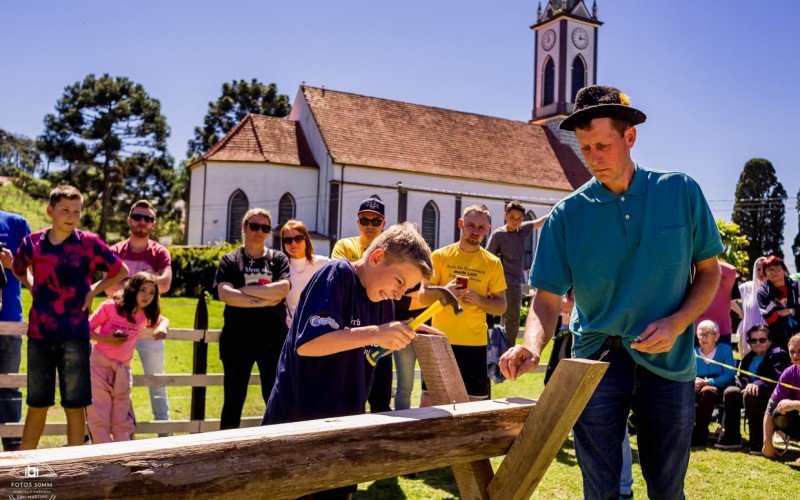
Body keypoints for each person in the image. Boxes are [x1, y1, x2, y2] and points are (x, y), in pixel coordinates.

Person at [499, 86, 723, 499]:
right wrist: (531, 346)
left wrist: (676, 323)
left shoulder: (681, 192)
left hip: (669, 361)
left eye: (602, 145)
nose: (593, 157)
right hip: (595, 361)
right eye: (585, 148)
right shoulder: (567, 215)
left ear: (630, 137)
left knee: (668, 489)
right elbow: (546, 299)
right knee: (599, 490)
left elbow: (708, 273)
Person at [264, 223, 438, 498]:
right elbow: (309, 344)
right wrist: (377, 332)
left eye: (406, 289)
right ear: (377, 257)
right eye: (399, 282)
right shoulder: (337, 275)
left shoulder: (384, 303)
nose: (398, 294)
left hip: (343, 434)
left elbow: (370, 351)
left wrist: (402, 334)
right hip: (297, 429)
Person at [12, 185, 128, 449]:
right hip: (40, 335)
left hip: (75, 334)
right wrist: (31, 284)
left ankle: (75, 467)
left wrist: (93, 290)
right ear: (50, 211)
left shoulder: (88, 243)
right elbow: (19, 268)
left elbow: (120, 270)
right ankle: (23, 467)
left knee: (75, 405)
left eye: (77, 211)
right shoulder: (32, 242)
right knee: (37, 403)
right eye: (65, 210)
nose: (71, 216)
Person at [419, 204, 507, 404]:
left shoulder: (492, 263)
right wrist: (444, 291)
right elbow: (422, 296)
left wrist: (480, 300)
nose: (475, 232)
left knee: (473, 403)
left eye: (481, 228)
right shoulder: (440, 256)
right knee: (430, 400)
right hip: (440, 341)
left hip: (474, 344)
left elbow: (501, 306)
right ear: (460, 224)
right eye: (470, 225)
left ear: (488, 230)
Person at [213, 208, 291, 430]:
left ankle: (276, 447)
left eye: (265, 228)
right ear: (244, 227)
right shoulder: (230, 260)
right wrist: (265, 299)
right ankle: (225, 451)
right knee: (233, 401)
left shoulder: (278, 259)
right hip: (237, 341)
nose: (259, 231)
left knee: (274, 398)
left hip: (273, 342)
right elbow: (225, 294)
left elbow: (283, 288)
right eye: (254, 226)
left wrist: (245, 291)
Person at [107, 200, 173, 426]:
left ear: (153, 224)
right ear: (129, 219)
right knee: (112, 379)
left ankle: (164, 432)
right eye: (138, 217)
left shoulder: (159, 252)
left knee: (157, 380)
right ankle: (119, 429)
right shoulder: (115, 251)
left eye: (148, 219)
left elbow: (164, 285)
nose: (142, 222)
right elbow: (108, 286)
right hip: (117, 326)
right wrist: (145, 285)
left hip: (148, 328)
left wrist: (125, 283)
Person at [87, 272, 169, 443]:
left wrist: (162, 327)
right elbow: (85, 329)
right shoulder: (110, 307)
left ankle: (124, 457)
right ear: (133, 289)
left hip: (122, 370)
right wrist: (107, 339)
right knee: (98, 416)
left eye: (151, 292)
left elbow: (163, 319)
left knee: (122, 420)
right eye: (143, 290)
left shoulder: (145, 314)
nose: (146, 296)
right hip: (98, 367)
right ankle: (103, 458)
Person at [331, 197, 393, 413]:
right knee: (347, 403)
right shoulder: (344, 245)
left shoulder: (392, 252)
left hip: (382, 331)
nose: (370, 226)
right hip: (352, 331)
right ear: (357, 222)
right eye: (364, 220)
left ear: (383, 224)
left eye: (375, 222)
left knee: (381, 404)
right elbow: (341, 280)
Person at [717, 325, 790, 453]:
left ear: (770, 340)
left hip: (770, 395)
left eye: (762, 340)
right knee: (731, 393)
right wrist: (744, 384)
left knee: (751, 395)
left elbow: (778, 379)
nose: (757, 343)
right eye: (753, 340)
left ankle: (757, 442)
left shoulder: (778, 353)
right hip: (750, 392)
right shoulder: (748, 357)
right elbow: (742, 377)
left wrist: (757, 384)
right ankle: (732, 438)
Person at [486, 201, 545, 350]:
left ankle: (501, 349)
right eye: (512, 217)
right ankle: (507, 350)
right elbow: (487, 257)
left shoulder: (522, 231)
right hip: (505, 281)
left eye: (519, 218)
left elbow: (540, 222)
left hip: (516, 281)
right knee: (512, 319)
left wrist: (559, 209)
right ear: (505, 215)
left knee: (507, 318)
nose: (515, 221)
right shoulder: (499, 234)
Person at [0, 209, 31, 451]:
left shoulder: (17, 224)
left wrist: (13, 265)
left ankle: (12, 448)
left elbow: (37, 274)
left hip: (10, 320)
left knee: (9, 384)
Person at [692, 320, 736, 446]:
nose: (702, 338)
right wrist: (693, 381)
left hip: (720, 386)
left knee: (707, 391)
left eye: (707, 334)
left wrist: (709, 382)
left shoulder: (725, 350)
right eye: (700, 334)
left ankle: (700, 434)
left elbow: (729, 374)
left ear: (716, 336)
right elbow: (686, 373)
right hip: (697, 387)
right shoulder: (693, 352)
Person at [280, 220, 328, 324]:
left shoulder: (323, 263)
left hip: (319, 331)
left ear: (306, 240)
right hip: (290, 332)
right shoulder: (280, 268)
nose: (293, 243)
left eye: (298, 238)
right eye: (288, 240)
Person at [763, 333, 800, 461]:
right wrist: (767, 442)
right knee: (777, 414)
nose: (796, 356)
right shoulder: (789, 373)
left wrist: (795, 404)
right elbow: (770, 408)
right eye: (792, 352)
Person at [757, 255, 800, 350]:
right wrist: (793, 310)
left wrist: (786, 311)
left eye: (777, 268)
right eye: (769, 269)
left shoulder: (797, 287)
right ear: (765, 274)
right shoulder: (763, 293)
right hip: (779, 339)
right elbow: (770, 318)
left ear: (784, 270)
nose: (773, 272)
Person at [694, 259, 738, 345]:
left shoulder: (724, 284)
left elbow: (731, 270)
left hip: (722, 333)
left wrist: (705, 261)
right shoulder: (693, 283)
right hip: (697, 334)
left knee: (722, 358)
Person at [737, 256, 767, 357]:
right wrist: (741, 313)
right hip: (750, 338)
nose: (761, 272)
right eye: (758, 269)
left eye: (764, 268)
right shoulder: (746, 287)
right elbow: (728, 298)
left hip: (768, 339)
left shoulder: (774, 288)